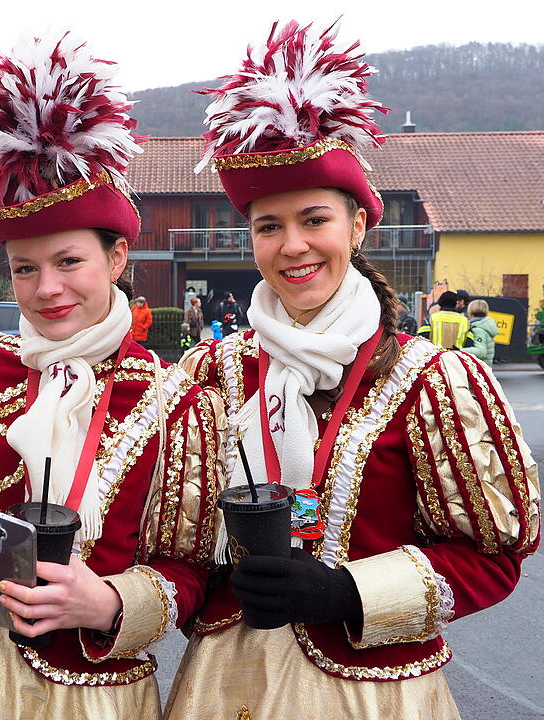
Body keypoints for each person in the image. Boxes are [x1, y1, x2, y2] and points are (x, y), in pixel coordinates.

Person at [165, 21, 540, 719]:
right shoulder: (212, 374)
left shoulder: (435, 381)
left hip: (373, 694)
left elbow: (495, 558)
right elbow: (172, 539)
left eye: (314, 219)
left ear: (359, 226)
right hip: (224, 687)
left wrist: (347, 593)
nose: (293, 246)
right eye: (268, 226)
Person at [0, 34, 224, 720]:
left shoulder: (179, 402)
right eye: (25, 268)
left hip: (96, 698)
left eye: (69, 262)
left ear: (116, 259)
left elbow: (189, 570)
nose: (46, 288)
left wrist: (112, 601)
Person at [465, 298, 499, 366]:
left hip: (480, 368)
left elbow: (481, 351)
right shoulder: (485, 325)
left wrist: (458, 350)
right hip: (486, 367)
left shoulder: (478, 329)